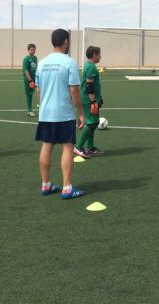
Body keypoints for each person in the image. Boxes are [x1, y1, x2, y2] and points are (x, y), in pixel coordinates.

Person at [35, 29, 85, 200]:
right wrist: (81, 113)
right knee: (67, 147)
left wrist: (43, 106)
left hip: (46, 113)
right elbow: (75, 90)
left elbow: (38, 89)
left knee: (46, 146)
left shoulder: (42, 63)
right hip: (63, 113)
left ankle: (45, 184)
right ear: (65, 41)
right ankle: (67, 188)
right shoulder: (69, 62)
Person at [74, 46, 104, 159]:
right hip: (88, 100)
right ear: (94, 55)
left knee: (93, 122)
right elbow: (89, 85)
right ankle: (78, 147)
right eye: (99, 54)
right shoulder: (91, 67)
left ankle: (90, 147)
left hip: (90, 98)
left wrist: (99, 97)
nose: (100, 56)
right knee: (92, 123)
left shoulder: (89, 65)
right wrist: (93, 101)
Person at [22, 44, 38, 117]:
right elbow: (26, 71)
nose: (33, 51)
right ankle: (29, 111)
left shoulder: (35, 58)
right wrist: (30, 80)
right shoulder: (26, 59)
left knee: (39, 91)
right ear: (28, 50)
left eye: (34, 49)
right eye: (31, 49)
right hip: (29, 79)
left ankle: (39, 104)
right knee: (29, 94)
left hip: (35, 78)